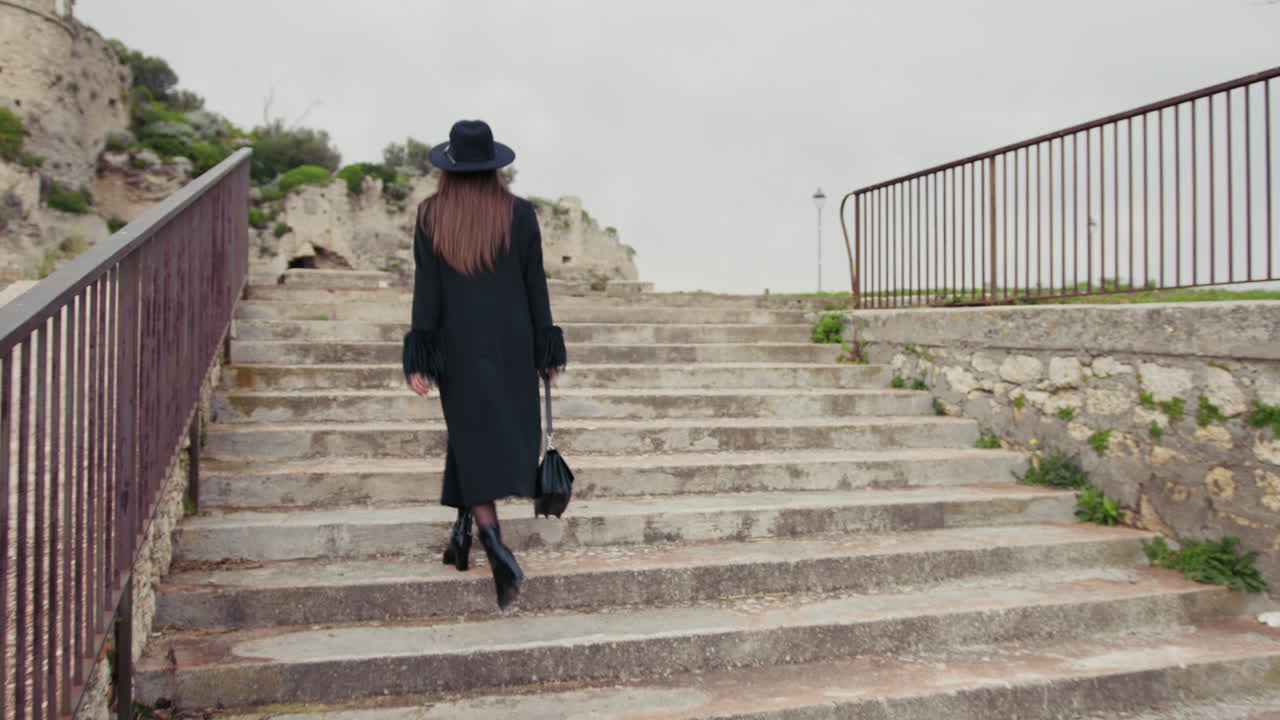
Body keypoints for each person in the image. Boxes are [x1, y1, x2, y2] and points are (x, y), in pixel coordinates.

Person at [402, 119, 566, 610]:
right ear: (495, 165)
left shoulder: (431, 215)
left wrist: (421, 354)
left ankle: (484, 542)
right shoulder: (519, 214)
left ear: (449, 167)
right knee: (479, 436)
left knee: (469, 432)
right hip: (512, 343)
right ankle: (477, 539)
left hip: (457, 346)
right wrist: (545, 347)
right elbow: (535, 285)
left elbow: (426, 292)